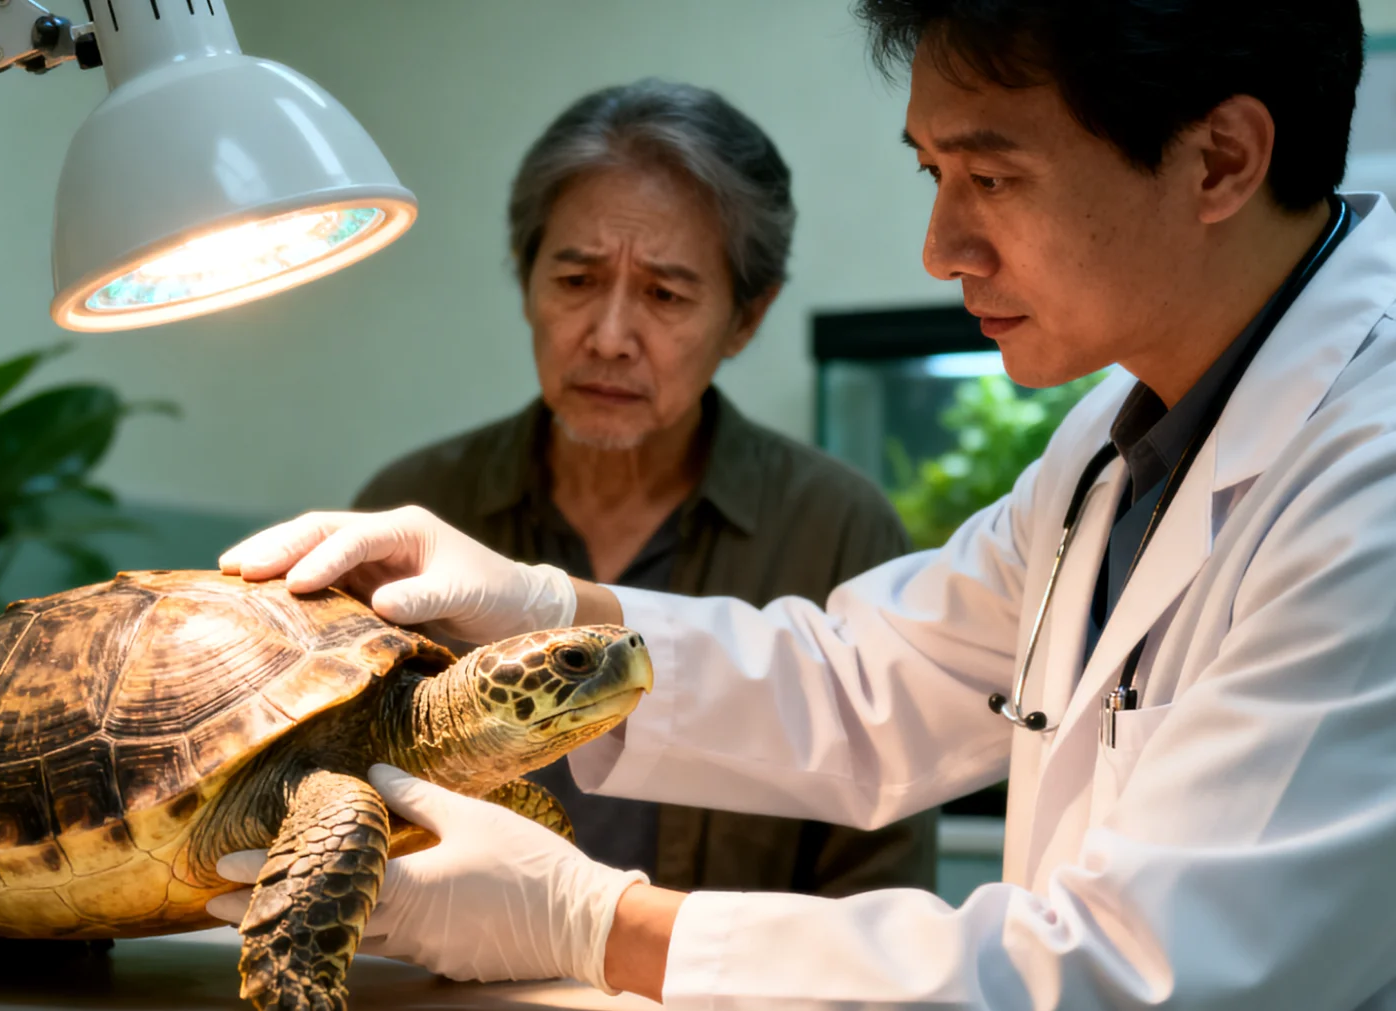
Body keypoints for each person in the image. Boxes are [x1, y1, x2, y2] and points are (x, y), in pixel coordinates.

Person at [212, 0, 1396, 1007]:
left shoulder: (1369, 479)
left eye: (992, 177)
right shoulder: (1115, 442)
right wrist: (534, 610)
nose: (940, 247)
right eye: (935, 175)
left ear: (1222, 161)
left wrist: (597, 925)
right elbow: (857, 686)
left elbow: (1137, 973)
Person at [349, 78, 937, 896]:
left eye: (664, 294)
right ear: (526, 281)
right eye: (576, 280)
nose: (611, 336)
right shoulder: (415, 509)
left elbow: (877, 898)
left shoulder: (834, 527)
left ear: (746, 318)